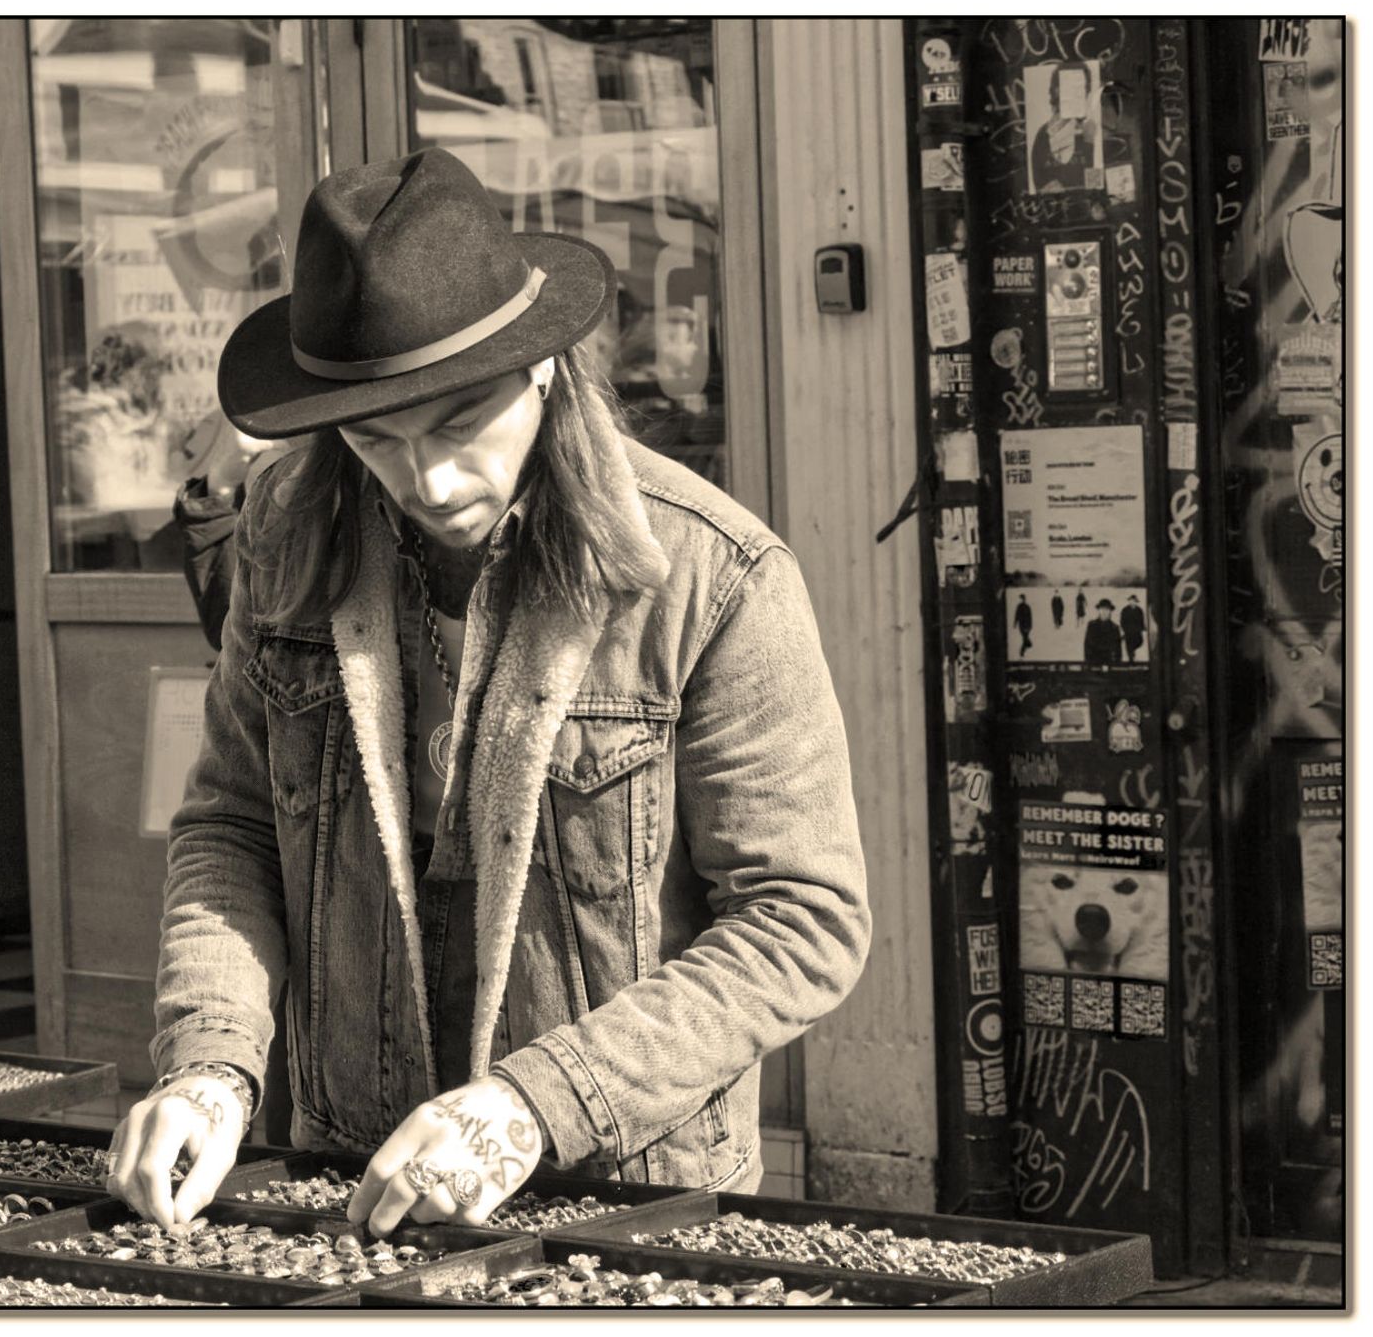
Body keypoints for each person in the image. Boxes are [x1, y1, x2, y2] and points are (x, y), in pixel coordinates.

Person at [106, 148, 870, 1237]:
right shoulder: (287, 540)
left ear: (544, 370)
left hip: (621, 1190)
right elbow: (229, 829)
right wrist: (210, 1064)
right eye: (375, 438)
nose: (428, 483)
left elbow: (802, 920)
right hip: (350, 1168)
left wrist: (528, 1105)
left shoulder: (714, 576)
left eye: (461, 425)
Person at [1030, 61, 1098, 194]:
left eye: (1081, 88)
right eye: (1070, 87)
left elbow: (1094, 186)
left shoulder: (1090, 130)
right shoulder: (1043, 135)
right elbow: (1039, 186)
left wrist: (1089, 143)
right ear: (1056, 91)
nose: (1077, 94)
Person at [1084, 599, 1124, 664]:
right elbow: (1087, 646)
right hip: (1094, 663)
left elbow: (1118, 650)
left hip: (1110, 663)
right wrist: (1089, 664)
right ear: (1099, 610)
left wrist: (1117, 664)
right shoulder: (1092, 626)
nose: (1104, 612)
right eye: (1102, 609)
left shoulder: (1115, 628)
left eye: (1107, 609)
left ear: (1110, 611)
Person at [1120, 594, 1146, 661]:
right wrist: (1125, 629)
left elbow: (1141, 621)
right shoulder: (1125, 610)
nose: (1132, 602)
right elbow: (1122, 621)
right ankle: (1131, 659)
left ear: (1136, 602)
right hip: (1128, 632)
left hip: (1137, 632)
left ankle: (1133, 655)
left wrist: (1141, 628)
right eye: (1130, 601)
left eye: (1134, 601)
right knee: (1129, 648)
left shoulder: (1139, 610)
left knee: (1138, 643)